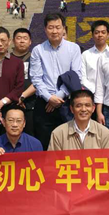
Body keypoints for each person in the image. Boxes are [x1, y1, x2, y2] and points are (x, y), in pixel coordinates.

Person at [49, 89, 109, 215]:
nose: (83, 109)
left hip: (97, 181)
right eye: (79, 106)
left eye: (87, 105)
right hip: (71, 180)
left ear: (93, 108)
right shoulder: (59, 133)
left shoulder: (104, 133)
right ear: (71, 109)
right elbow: (51, 164)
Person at [30, 13, 83, 150]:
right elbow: (36, 78)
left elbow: (76, 75)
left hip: (66, 102)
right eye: (51, 27)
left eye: (58, 27)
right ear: (45, 29)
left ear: (64, 28)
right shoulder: (38, 50)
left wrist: (58, 97)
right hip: (44, 104)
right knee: (45, 143)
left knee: (69, 144)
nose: (54, 31)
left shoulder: (73, 48)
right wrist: (49, 98)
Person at [11, 28, 37, 136]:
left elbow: (38, 82)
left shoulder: (35, 58)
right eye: (19, 38)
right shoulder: (7, 59)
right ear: (13, 41)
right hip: (10, 104)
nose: (22, 41)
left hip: (31, 105)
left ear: (30, 41)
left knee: (31, 135)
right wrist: (15, 97)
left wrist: (22, 96)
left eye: (25, 38)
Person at [81, 20, 109, 94]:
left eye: (103, 32)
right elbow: (82, 78)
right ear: (92, 35)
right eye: (97, 32)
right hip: (91, 94)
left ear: (108, 34)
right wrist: (96, 91)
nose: (100, 35)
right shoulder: (85, 54)